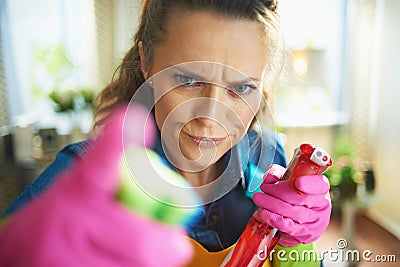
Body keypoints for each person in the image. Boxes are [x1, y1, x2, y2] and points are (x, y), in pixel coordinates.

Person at [0, 0, 331, 266]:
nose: (210, 117)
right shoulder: (81, 175)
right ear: (147, 63)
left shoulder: (272, 157)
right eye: (188, 80)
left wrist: (299, 246)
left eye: (241, 88)